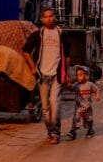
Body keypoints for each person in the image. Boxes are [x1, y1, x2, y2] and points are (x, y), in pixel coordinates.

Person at [24, 8, 69, 144]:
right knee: (45, 108)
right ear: (42, 19)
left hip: (56, 75)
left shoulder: (61, 34)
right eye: (46, 17)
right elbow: (25, 51)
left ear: (55, 17)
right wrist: (32, 67)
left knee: (55, 103)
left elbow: (67, 56)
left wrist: (66, 74)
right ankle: (50, 131)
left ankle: (55, 134)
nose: (49, 19)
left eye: (51, 16)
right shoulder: (38, 35)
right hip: (42, 76)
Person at [66, 65, 101, 139]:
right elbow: (70, 88)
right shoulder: (76, 85)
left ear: (86, 75)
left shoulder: (89, 84)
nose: (78, 77)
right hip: (78, 106)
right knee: (75, 118)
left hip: (87, 107)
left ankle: (90, 130)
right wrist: (68, 84)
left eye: (80, 75)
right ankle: (73, 131)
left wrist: (97, 95)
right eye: (77, 75)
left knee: (89, 119)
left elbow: (97, 89)